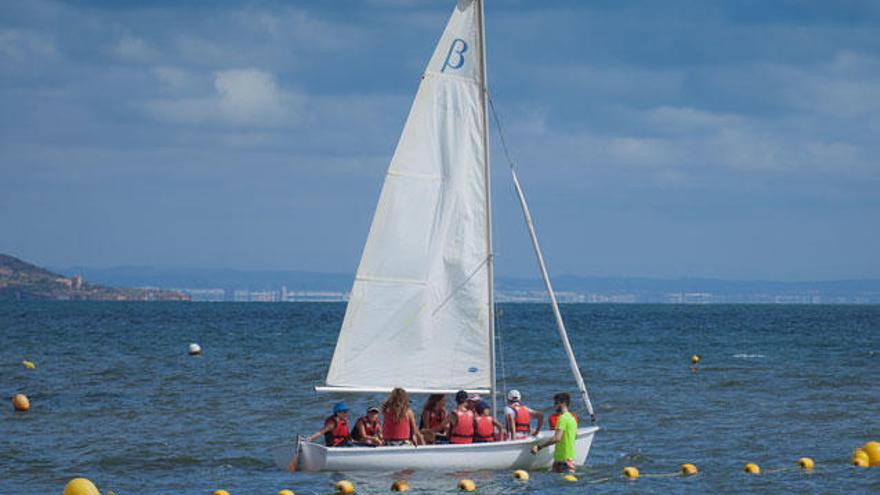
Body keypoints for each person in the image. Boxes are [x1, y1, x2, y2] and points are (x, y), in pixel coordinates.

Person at [530, 393, 578, 472]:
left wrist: (539, 447)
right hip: (567, 459)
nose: (554, 406)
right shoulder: (572, 418)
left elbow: (557, 438)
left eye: (556, 403)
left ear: (563, 404)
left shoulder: (562, 418)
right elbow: (575, 436)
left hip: (563, 462)